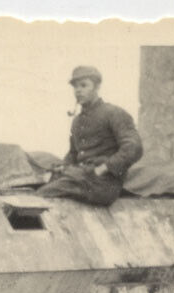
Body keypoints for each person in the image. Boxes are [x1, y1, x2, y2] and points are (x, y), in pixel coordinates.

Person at [37, 65, 143, 206]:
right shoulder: (77, 121)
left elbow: (134, 148)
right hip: (82, 178)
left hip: (104, 184)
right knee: (37, 186)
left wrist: (105, 168)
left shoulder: (113, 113)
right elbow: (74, 154)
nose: (78, 90)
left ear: (97, 87)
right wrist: (61, 167)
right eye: (75, 87)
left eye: (84, 85)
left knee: (41, 196)